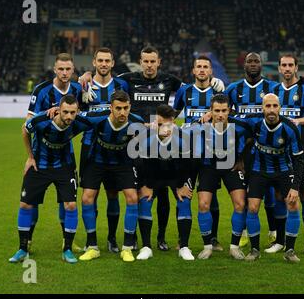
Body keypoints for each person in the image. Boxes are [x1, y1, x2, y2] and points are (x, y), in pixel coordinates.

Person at [80, 46, 225, 251]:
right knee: (143, 192)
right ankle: (133, 239)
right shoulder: (127, 80)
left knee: (165, 193)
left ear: (159, 62)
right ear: (140, 61)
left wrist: (214, 82)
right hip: (136, 144)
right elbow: (104, 74)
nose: (149, 65)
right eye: (145, 61)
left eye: (152, 61)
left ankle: (161, 238)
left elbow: (191, 88)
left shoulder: (170, 81)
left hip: (164, 142)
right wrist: (86, 75)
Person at [8, 95, 94, 264]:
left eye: (72, 112)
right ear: (57, 110)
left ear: (77, 112)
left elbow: (101, 117)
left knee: (70, 205)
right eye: (65, 112)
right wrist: (30, 157)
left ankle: (67, 249)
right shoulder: (41, 120)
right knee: (25, 204)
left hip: (64, 167)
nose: (69, 116)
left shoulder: (81, 122)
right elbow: (25, 130)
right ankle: (23, 249)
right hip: (39, 166)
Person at [236, 93, 304, 263]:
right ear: (262, 108)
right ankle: (254, 249)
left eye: (275, 106)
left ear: (280, 108)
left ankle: (289, 250)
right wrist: (210, 114)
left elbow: (299, 160)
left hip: (282, 170)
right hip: (259, 170)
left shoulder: (290, 128)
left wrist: (295, 187)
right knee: (252, 208)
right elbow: (231, 119)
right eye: (268, 106)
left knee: (293, 204)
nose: (272, 110)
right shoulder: (254, 121)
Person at [25, 53, 83, 253]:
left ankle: (67, 242)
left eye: (68, 69)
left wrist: (88, 76)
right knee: (30, 201)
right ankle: (27, 241)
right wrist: (30, 156)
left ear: (73, 70)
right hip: (41, 156)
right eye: (61, 69)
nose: (65, 73)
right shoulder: (41, 91)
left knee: (66, 201)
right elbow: (28, 123)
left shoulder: (77, 88)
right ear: (54, 69)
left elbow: (84, 113)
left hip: (66, 156)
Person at [78, 90, 144, 262]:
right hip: (97, 162)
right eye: (118, 108)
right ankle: (92, 246)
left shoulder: (137, 122)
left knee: (132, 198)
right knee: (86, 198)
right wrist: (54, 110)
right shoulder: (97, 118)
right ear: (111, 108)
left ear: (130, 107)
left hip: (122, 163)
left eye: (125, 108)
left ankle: (127, 247)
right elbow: (73, 116)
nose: (122, 112)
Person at [78, 47, 129, 258]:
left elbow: (129, 108)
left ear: (113, 63)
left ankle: (112, 239)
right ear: (94, 62)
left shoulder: (121, 85)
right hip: (91, 148)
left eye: (107, 60)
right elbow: (72, 110)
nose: (104, 64)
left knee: (113, 194)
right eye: (100, 60)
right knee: (89, 195)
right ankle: (92, 243)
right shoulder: (83, 84)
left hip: (117, 149)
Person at [225, 52, 279, 248]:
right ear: (244, 65)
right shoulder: (233, 89)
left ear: (262, 65)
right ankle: (246, 232)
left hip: (267, 149)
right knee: (245, 193)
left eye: (256, 61)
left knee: (270, 193)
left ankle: (273, 231)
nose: (253, 64)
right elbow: (222, 112)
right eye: (250, 61)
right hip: (242, 152)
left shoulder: (272, 88)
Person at [173, 55, 223, 251]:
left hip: (212, 153)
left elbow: (228, 115)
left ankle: (213, 239)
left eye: (205, 67)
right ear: (193, 71)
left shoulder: (218, 92)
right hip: (188, 152)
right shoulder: (184, 91)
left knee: (211, 198)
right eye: (199, 67)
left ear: (211, 71)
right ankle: (182, 240)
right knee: (184, 196)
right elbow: (172, 117)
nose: (202, 70)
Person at [134, 105, 196, 261]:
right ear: (155, 121)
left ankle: (184, 247)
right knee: (145, 200)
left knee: (184, 201)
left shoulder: (184, 138)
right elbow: (142, 164)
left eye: (167, 125)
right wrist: (146, 186)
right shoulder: (146, 138)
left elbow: (187, 164)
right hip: (154, 174)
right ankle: (146, 247)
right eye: (159, 124)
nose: (163, 129)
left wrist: (181, 185)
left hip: (177, 174)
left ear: (173, 122)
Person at [270, 54, 304, 257]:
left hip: (302, 152)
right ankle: (280, 241)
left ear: (296, 67)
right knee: (281, 196)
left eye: (291, 65)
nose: (287, 68)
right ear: (279, 68)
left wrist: (295, 121)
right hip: (280, 153)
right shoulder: (275, 91)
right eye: (284, 65)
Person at [193, 94, 250, 260]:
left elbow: (252, 138)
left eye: (224, 111)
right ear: (210, 111)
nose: (220, 114)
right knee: (203, 204)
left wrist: (241, 159)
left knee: (240, 203)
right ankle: (207, 246)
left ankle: (234, 247)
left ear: (229, 111)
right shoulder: (200, 127)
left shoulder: (240, 126)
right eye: (216, 110)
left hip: (230, 167)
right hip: (208, 167)